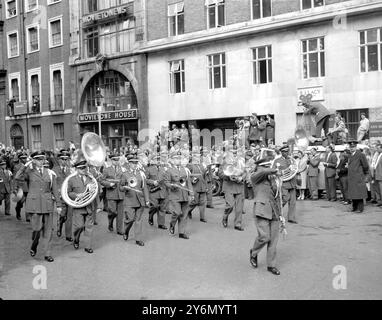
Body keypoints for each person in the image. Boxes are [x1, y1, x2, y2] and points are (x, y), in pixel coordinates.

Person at [15, 151, 61, 262]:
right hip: (35, 204)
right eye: (38, 159)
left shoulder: (50, 173)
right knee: (36, 229)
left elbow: (54, 189)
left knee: (48, 230)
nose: (41, 161)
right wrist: (26, 165)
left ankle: (47, 253)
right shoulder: (29, 172)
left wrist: (58, 205)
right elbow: (17, 177)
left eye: (42, 159)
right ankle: (34, 244)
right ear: (34, 160)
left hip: (47, 204)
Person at [249, 159, 284, 276]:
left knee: (273, 240)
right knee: (264, 237)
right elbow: (263, 172)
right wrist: (275, 170)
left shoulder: (272, 178)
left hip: (274, 210)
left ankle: (271, 265)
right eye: (267, 166)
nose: (270, 167)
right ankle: (254, 253)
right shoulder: (256, 176)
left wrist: (281, 214)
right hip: (262, 210)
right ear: (261, 167)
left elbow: (277, 195)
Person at [67, 156, 96, 253]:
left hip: (89, 206)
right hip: (78, 207)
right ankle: (76, 239)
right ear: (76, 169)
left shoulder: (91, 178)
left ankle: (88, 246)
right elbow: (68, 192)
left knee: (89, 227)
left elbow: (96, 191)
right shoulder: (71, 180)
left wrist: (99, 206)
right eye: (81, 168)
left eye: (85, 167)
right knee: (79, 226)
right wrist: (76, 196)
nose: (84, 170)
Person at [120, 154, 150, 246]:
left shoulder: (141, 173)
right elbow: (120, 187)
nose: (134, 164)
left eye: (136, 163)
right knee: (130, 219)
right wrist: (125, 188)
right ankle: (126, 230)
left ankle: (138, 239)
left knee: (138, 220)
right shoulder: (125, 174)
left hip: (140, 200)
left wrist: (147, 200)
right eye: (132, 163)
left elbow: (144, 187)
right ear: (129, 163)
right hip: (129, 200)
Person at [164, 152, 194, 239]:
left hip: (184, 195)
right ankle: (172, 224)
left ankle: (181, 232)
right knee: (177, 212)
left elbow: (188, 183)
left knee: (184, 214)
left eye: (179, 158)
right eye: (176, 158)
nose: (178, 160)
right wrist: (172, 186)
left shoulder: (185, 170)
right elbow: (166, 182)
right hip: (175, 195)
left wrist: (191, 193)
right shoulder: (169, 170)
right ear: (172, 160)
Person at [219, 150, 246, 231]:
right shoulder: (224, 161)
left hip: (239, 185)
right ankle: (225, 216)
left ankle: (238, 224)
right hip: (228, 186)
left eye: (236, 152)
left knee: (239, 207)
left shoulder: (241, 161)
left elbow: (245, 172)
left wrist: (242, 178)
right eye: (232, 153)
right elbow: (220, 174)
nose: (234, 154)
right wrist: (228, 177)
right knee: (230, 205)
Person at [100, 153, 126, 235]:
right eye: (114, 160)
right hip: (111, 193)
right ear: (111, 160)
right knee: (113, 211)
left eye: (117, 160)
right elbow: (102, 181)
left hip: (121, 193)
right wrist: (109, 184)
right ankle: (110, 221)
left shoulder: (123, 169)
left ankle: (119, 229)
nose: (116, 161)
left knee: (120, 213)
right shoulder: (106, 170)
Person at [272, 145, 298, 224]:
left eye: (287, 151)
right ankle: (276, 213)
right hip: (284, 183)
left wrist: (292, 169)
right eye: (284, 152)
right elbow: (273, 171)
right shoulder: (277, 161)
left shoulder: (292, 160)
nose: (287, 153)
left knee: (293, 201)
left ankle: (291, 218)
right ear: (281, 152)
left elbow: (295, 169)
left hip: (292, 182)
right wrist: (280, 173)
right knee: (284, 199)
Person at [53, 149, 73, 242]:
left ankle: (68, 235)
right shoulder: (54, 170)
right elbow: (53, 184)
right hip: (60, 196)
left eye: (66, 159)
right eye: (63, 159)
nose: (64, 161)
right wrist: (56, 193)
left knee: (69, 216)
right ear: (59, 160)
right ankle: (59, 226)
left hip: (69, 196)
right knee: (62, 215)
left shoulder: (71, 169)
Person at [146, 155, 168, 229]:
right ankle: (151, 215)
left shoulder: (164, 169)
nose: (158, 161)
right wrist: (152, 182)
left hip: (163, 190)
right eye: (157, 159)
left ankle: (161, 224)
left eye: (160, 160)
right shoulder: (149, 169)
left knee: (162, 207)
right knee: (154, 206)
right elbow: (145, 180)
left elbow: (167, 179)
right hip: (154, 191)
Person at [347, 140, 369, 213]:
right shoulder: (350, 155)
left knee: (359, 193)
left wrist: (364, 174)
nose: (352, 148)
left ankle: (360, 208)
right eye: (351, 147)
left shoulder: (360, 154)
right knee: (353, 193)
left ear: (356, 147)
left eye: (353, 147)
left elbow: (365, 165)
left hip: (358, 177)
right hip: (351, 177)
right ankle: (354, 207)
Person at [188, 150, 208, 223]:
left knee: (203, 202)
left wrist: (206, 186)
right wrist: (192, 179)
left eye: (199, 156)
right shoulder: (190, 165)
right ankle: (188, 211)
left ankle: (202, 217)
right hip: (195, 186)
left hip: (202, 186)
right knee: (194, 202)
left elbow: (205, 176)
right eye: (196, 156)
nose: (198, 157)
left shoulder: (202, 165)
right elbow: (187, 176)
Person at [12, 152, 30, 221]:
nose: (24, 159)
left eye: (25, 158)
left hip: (28, 186)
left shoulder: (29, 166)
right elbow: (14, 178)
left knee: (28, 202)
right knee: (20, 202)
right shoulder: (17, 167)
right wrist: (14, 188)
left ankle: (27, 217)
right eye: (23, 158)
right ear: (20, 159)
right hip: (20, 187)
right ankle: (17, 210)